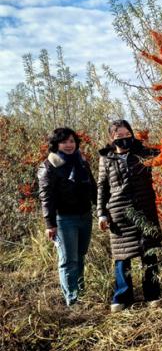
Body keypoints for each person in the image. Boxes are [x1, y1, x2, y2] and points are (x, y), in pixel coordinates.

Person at [97, 119, 162, 312]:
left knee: (149, 253)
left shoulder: (142, 153)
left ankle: (153, 294)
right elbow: (102, 187)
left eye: (128, 134)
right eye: (119, 136)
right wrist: (101, 214)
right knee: (121, 257)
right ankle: (122, 296)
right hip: (119, 214)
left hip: (144, 210)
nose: (124, 138)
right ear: (112, 138)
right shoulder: (106, 158)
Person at [37, 127, 97, 307]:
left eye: (72, 141)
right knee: (68, 260)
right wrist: (50, 223)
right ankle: (73, 300)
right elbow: (46, 196)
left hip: (85, 216)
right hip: (64, 219)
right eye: (64, 142)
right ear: (56, 144)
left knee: (80, 256)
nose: (69, 145)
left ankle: (80, 293)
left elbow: (92, 187)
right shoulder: (49, 166)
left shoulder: (81, 161)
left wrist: (102, 209)